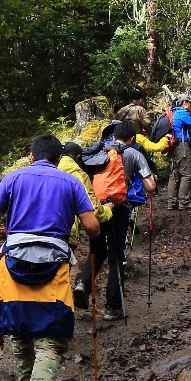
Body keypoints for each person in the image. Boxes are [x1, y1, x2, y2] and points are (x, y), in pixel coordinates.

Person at [0, 135, 99, 381]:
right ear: (59, 160)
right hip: (54, 266)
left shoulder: (13, 178)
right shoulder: (70, 183)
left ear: (31, 156)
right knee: (50, 337)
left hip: (15, 263)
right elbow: (92, 227)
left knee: (21, 329)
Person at [75, 120, 155, 315]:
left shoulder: (99, 151)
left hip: (96, 208)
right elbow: (149, 187)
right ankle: (113, 307)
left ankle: (83, 285)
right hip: (119, 208)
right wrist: (152, 178)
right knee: (116, 255)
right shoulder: (133, 153)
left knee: (97, 250)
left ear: (113, 136)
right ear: (132, 138)